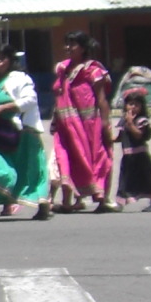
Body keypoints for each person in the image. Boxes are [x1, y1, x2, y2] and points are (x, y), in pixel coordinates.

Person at [0, 52, 52, 220]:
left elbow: (30, 99)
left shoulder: (19, 78)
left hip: (23, 132)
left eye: (3, 58)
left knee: (32, 170)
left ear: (11, 61)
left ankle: (43, 207)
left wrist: (6, 107)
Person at [51, 31, 115, 213]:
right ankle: (67, 201)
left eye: (73, 44)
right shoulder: (63, 69)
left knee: (99, 158)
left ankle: (103, 200)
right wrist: (55, 118)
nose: (68, 48)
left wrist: (104, 124)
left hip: (89, 126)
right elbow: (59, 96)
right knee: (65, 159)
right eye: (67, 44)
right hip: (65, 125)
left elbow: (102, 100)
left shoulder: (93, 71)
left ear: (84, 48)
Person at [116, 88, 151, 211]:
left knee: (147, 179)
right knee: (125, 180)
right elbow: (120, 137)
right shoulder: (123, 120)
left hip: (140, 156)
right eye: (130, 104)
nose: (133, 107)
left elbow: (138, 135)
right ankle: (120, 203)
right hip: (128, 157)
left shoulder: (141, 121)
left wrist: (130, 124)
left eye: (137, 104)